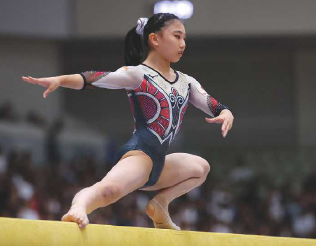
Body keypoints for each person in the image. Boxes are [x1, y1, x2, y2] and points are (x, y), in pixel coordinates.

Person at [22, 13, 234, 230]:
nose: (183, 44)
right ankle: (79, 206)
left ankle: (161, 204)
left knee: (201, 168)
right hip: (140, 156)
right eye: (177, 36)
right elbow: (94, 79)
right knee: (108, 191)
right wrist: (60, 80)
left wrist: (225, 112)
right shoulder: (138, 74)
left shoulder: (187, 82)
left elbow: (212, 103)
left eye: (184, 38)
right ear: (155, 39)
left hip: (159, 164)